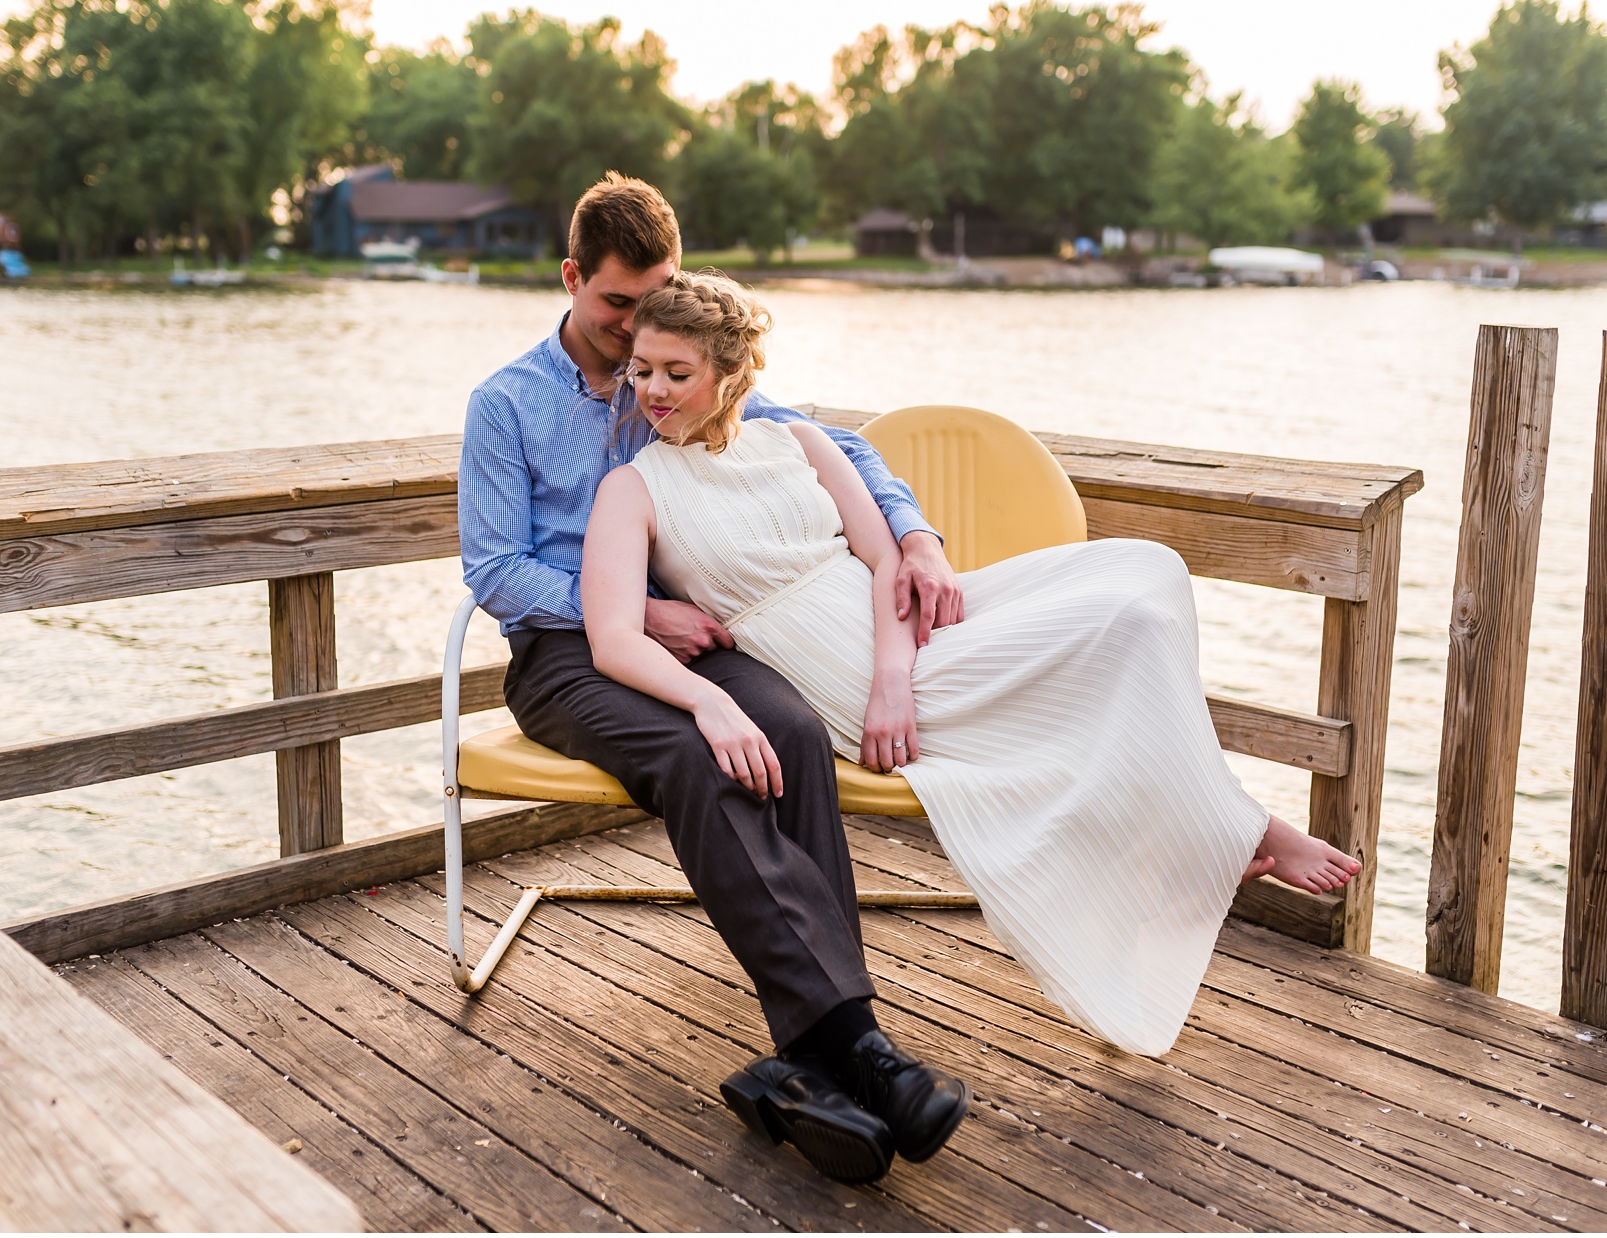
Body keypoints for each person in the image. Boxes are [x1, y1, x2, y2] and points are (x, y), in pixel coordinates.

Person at [581, 270, 1362, 1063]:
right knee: (1113, 639)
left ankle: (1209, 833)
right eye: (642, 370)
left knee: (1145, 580)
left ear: (730, 373)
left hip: (901, 648)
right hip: (829, 674)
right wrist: (709, 700)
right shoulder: (632, 488)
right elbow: (613, 637)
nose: (653, 390)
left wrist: (895, 676)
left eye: (677, 373)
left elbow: (887, 562)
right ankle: (1227, 832)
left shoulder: (801, 443)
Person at [458, 174, 971, 1186]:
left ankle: (800, 1063)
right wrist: (633, 607)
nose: (637, 329)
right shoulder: (506, 404)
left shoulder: (677, 360)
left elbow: (844, 448)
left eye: (657, 297)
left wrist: (912, 532)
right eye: (616, 305)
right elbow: (491, 567)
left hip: (698, 638)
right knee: (697, 756)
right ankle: (856, 1044)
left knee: (783, 730)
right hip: (569, 654)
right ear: (570, 280)